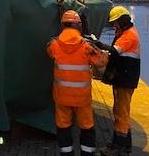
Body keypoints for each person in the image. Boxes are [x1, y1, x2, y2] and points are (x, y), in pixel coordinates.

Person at [46, 10, 108, 156]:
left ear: (63, 25)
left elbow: (49, 51)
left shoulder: (54, 45)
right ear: (79, 25)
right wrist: (95, 43)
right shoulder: (87, 46)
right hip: (82, 98)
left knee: (63, 127)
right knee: (86, 127)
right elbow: (102, 61)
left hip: (62, 97)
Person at [92, 6, 141, 156]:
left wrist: (97, 44)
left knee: (121, 113)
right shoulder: (124, 33)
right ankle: (122, 145)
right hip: (123, 78)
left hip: (125, 80)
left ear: (123, 21)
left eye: (115, 22)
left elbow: (114, 51)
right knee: (121, 112)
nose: (114, 25)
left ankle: (119, 148)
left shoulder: (129, 36)